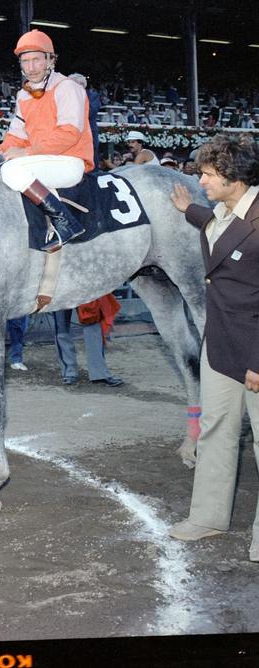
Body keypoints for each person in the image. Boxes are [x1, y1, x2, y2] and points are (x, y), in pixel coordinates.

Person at [168, 134, 259, 556]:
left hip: (256, 352)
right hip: (220, 345)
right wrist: (188, 209)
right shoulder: (222, 211)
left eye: (206, 174)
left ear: (232, 177)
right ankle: (207, 517)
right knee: (216, 429)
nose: (200, 180)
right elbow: (213, 224)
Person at [0, 29, 91, 253]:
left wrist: (26, 153)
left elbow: (69, 133)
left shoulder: (67, 88)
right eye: (25, 61)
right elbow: (16, 136)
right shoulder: (23, 95)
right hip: (42, 162)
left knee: (11, 171)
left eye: (36, 60)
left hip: (70, 161)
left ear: (51, 60)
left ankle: (65, 223)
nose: (31, 67)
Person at [52, 307, 123, 387]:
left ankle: (99, 373)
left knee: (92, 320)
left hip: (82, 294)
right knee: (61, 326)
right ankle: (69, 372)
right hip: (59, 295)